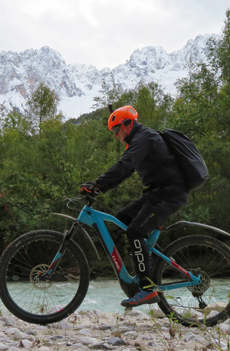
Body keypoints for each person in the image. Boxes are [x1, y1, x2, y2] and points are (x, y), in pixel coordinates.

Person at [80, 106, 189, 307]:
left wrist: (98, 184)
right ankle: (151, 265)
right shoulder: (139, 141)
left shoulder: (144, 138)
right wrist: (100, 188)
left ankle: (147, 289)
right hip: (158, 192)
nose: (115, 136)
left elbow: (126, 164)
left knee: (135, 232)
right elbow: (126, 170)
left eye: (116, 130)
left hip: (169, 193)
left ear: (127, 125)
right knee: (122, 219)